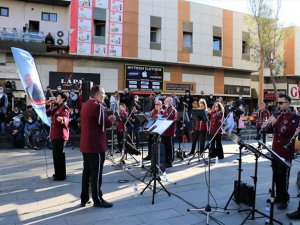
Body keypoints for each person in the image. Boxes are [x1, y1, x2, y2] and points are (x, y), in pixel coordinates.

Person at [80, 85, 115, 208]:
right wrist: (110, 119)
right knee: (96, 173)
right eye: (103, 95)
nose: (104, 97)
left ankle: (84, 198)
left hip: (86, 144)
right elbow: (104, 123)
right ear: (97, 95)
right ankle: (97, 198)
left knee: (86, 172)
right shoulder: (97, 106)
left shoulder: (85, 105)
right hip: (95, 145)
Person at [265, 94, 300, 210]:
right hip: (275, 150)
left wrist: (276, 123)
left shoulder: (294, 117)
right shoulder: (277, 114)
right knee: (275, 176)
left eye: (281, 103)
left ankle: (284, 198)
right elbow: (270, 130)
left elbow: (288, 131)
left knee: (283, 176)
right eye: (278, 103)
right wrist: (267, 125)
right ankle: (278, 197)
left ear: (288, 103)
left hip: (285, 151)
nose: (278, 105)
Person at [46, 91, 70, 181]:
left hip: (61, 135)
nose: (56, 97)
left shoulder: (65, 108)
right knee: (55, 155)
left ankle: (61, 175)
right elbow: (48, 113)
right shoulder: (55, 107)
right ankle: (57, 173)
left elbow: (67, 119)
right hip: (54, 134)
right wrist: (48, 105)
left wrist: (62, 119)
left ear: (63, 98)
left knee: (60, 155)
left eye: (58, 96)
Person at [161, 97, 178, 168]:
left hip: (169, 131)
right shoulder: (166, 109)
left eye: (166, 101)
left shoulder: (173, 110)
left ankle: (170, 161)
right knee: (165, 146)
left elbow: (170, 119)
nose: (165, 103)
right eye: (165, 101)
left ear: (171, 102)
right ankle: (165, 159)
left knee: (169, 147)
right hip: (164, 131)